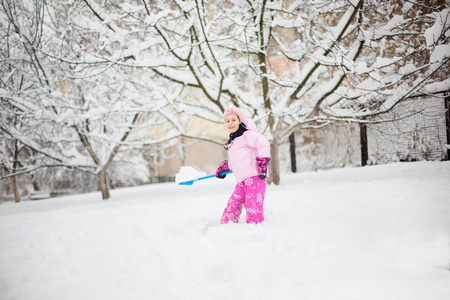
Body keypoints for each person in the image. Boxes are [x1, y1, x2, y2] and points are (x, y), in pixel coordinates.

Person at [215, 105, 271, 224]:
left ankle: (255, 227)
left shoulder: (247, 135)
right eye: (227, 121)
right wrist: (225, 167)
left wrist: (263, 161)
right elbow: (238, 161)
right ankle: (226, 225)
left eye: (234, 120)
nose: (230, 123)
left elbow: (263, 142)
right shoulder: (233, 141)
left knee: (252, 204)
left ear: (240, 121)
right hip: (242, 179)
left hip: (255, 176)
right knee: (234, 202)